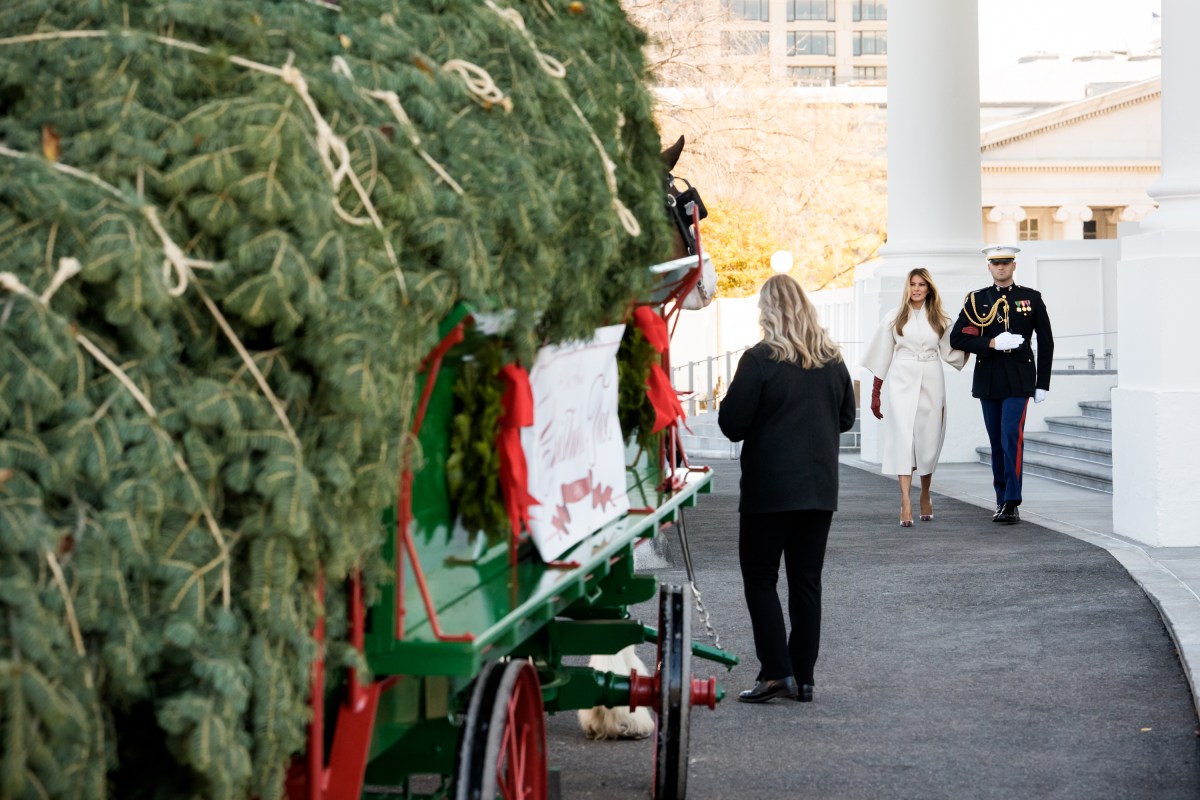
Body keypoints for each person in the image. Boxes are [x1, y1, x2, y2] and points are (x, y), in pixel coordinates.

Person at [718, 274, 856, 704]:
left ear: (767, 312)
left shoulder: (759, 360)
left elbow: (731, 425)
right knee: (806, 582)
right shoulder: (832, 360)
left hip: (769, 491)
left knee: (760, 579)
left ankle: (777, 671)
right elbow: (847, 418)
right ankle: (804, 676)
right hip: (818, 489)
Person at [949, 245, 1055, 525]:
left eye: (1006, 263)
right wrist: (990, 343)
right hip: (989, 378)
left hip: (1019, 379)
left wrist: (1042, 383)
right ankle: (1000, 499)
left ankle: (1012, 501)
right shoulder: (976, 300)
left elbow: (1046, 342)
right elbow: (957, 339)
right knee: (996, 442)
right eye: (996, 264)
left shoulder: (1030, 298)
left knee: (1011, 437)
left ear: (1014, 266)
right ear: (989, 267)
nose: (1001, 268)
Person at [862, 268, 967, 526]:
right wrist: (875, 393)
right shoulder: (894, 317)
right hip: (902, 379)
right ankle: (906, 501)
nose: (917, 289)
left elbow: (953, 352)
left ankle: (926, 493)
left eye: (922, 284)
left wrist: (975, 341)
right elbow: (882, 355)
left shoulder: (941, 318)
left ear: (929, 288)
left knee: (929, 439)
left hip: (932, 376)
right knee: (903, 438)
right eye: (912, 284)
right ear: (907, 288)